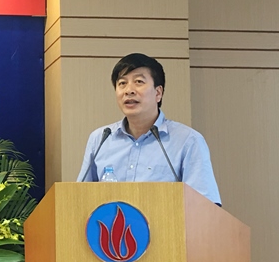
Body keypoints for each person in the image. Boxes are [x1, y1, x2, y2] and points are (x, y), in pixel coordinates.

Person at [77, 53, 221, 205]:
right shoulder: (100, 139)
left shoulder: (188, 140)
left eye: (139, 82)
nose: (129, 90)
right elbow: (79, 199)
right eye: (122, 83)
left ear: (158, 93)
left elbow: (206, 206)